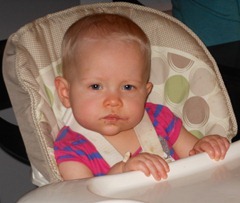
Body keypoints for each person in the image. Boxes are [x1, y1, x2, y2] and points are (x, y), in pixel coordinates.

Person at [54, 13, 230, 181]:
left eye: (128, 87)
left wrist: (207, 147)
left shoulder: (160, 119)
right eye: (95, 86)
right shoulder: (72, 148)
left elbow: (198, 162)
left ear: (145, 92)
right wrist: (123, 172)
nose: (113, 101)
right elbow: (83, 196)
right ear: (65, 93)